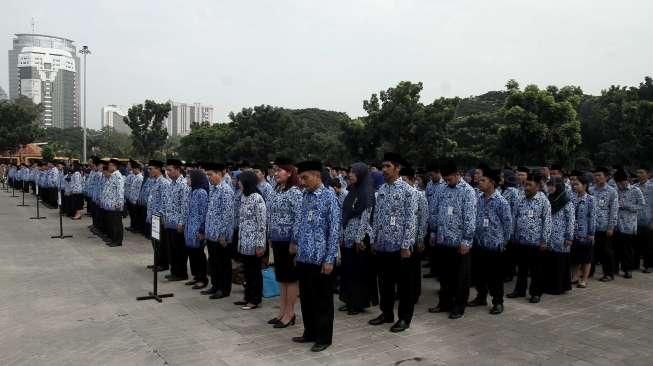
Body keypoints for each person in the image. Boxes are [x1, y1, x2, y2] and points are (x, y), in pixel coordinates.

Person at [290, 160, 340, 352]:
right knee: (308, 298)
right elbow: (301, 223)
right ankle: (309, 332)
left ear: (317, 176)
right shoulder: (305, 196)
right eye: (301, 178)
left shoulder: (329, 197)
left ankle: (324, 337)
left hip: (321, 259)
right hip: (304, 257)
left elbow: (334, 230)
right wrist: (296, 247)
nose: (302, 182)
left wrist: (329, 259)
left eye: (305, 177)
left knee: (323, 300)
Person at [368, 153, 417, 333]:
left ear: (397, 168)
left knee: (404, 285)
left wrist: (406, 245)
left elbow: (411, 220)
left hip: (400, 247)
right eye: (383, 167)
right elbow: (377, 218)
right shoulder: (381, 190)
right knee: (385, 282)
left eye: (388, 166)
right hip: (382, 245)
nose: (384, 170)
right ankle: (386, 312)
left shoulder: (408, 191)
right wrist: (374, 239)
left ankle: (404, 318)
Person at [428, 160, 477, 319]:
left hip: (459, 243)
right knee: (444, 276)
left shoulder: (468, 191)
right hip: (442, 240)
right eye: (445, 179)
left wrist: (466, 241)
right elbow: (434, 211)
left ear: (457, 174)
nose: (447, 182)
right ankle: (444, 303)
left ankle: (458, 306)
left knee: (460, 277)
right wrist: (434, 232)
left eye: (449, 179)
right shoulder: (441, 188)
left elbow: (470, 218)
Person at [468, 169, 512, 315]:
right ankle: (481, 296)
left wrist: (504, 242)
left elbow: (507, 224)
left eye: (483, 180)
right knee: (479, 274)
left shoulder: (501, 201)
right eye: (479, 180)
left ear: (492, 183)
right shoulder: (478, 198)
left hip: (494, 245)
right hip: (479, 243)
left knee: (495, 276)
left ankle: (498, 302)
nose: (479, 183)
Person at [266, 158, 302, 327]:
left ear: (289, 172)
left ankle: (290, 314)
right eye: (275, 170)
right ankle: (281, 312)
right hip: (277, 240)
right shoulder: (277, 189)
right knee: (281, 278)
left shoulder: (294, 192)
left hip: (289, 241)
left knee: (290, 278)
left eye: (280, 170)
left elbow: (298, 218)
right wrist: (270, 235)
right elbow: (271, 214)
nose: (276, 173)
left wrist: (294, 241)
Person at [507, 170, 552, 303]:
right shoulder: (520, 198)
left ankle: (535, 293)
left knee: (536, 270)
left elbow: (547, 221)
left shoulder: (544, 201)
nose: (526, 187)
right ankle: (519, 290)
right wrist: (512, 235)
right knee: (522, 268)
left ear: (537, 186)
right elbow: (514, 217)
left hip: (536, 242)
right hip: (520, 240)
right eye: (525, 185)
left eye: (529, 185)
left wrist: (544, 240)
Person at [339, 162, 378, 315]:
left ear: (361, 174)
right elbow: (346, 212)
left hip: (360, 237)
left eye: (354, 172)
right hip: (349, 234)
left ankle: (358, 302)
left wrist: (359, 238)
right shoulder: (352, 190)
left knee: (359, 272)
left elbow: (366, 215)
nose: (350, 175)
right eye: (350, 172)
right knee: (349, 270)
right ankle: (349, 300)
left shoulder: (367, 191)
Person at [233, 170, 267, 310]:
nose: (238, 183)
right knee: (247, 271)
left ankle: (255, 299)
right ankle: (247, 297)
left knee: (254, 272)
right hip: (244, 242)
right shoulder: (243, 197)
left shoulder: (257, 198)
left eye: (240, 180)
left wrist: (260, 245)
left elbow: (262, 223)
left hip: (254, 243)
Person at [202, 162, 235, 299]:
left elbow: (227, 215)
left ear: (220, 174)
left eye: (211, 174)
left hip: (221, 236)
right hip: (211, 233)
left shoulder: (226, 190)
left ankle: (224, 289)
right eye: (207, 175)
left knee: (223, 263)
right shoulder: (213, 189)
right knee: (214, 262)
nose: (209, 177)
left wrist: (223, 235)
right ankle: (215, 285)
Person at [400, 166, 428, 304]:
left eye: (404, 179)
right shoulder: (401, 194)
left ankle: (414, 294)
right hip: (403, 238)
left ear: (412, 180)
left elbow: (423, 218)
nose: (402, 182)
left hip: (415, 238)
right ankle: (402, 292)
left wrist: (421, 238)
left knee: (414, 269)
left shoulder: (419, 195)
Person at [543, 177, 575, 295]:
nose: (550, 188)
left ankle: (559, 287)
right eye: (549, 185)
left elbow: (571, 220)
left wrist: (569, 237)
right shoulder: (548, 199)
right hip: (549, 237)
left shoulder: (567, 201)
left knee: (560, 263)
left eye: (552, 185)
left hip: (561, 238)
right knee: (550, 262)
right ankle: (548, 285)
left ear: (559, 187)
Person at [614, 170, 645, 278]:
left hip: (629, 225)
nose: (620, 185)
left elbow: (641, 206)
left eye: (622, 182)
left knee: (627, 249)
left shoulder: (636, 190)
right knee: (616, 248)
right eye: (618, 183)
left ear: (627, 180)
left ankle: (627, 269)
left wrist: (627, 206)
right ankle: (615, 268)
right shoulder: (615, 191)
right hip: (616, 224)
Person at [162, 159, 190, 282]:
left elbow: (185, 206)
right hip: (170, 221)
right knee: (171, 249)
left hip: (178, 224)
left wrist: (181, 222)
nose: (167, 172)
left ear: (178, 170)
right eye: (167, 170)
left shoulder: (183, 184)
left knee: (179, 250)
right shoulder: (170, 184)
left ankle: (181, 273)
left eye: (170, 170)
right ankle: (174, 271)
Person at [590, 167, 619, 282]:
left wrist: (611, 226)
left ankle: (608, 273)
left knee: (606, 251)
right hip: (592, 226)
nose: (597, 178)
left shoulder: (612, 191)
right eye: (595, 175)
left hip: (605, 226)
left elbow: (614, 210)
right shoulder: (591, 190)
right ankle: (589, 271)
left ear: (606, 177)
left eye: (599, 175)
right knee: (592, 250)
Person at [184, 168, 210, 290]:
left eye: (189, 178)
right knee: (192, 253)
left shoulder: (201, 193)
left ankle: (202, 278)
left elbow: (204, 213)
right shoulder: (193, 191)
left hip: (197, 228)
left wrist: (202, 230)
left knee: (199, 254)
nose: (187, 180)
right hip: (190, 228)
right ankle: (196, 276)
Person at [571, 176, 597, 288]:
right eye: (574, 184)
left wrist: (591, 233)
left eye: (577, 184)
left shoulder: (591, 199)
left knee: (586, 257)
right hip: (573, 232)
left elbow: (593, 217)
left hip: (585, 232)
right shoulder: (572, 198)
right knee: (576, 256)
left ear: (585, 186)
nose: (574, 186)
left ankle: (584, 279)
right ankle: (575, 276)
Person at [146, 160, 170, 271]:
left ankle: (163, 264)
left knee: (161, 243)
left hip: (159, 218)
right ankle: (157, 261)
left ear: (158, 169)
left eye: (151, 169)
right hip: (153, 216)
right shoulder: (154, 181)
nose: (149, 171)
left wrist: (159, 217)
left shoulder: (164, 183)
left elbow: (165, 203)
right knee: (155, 241)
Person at [100, 159, 125, 247]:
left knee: (116, 223)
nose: (108, 167)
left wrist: (119, 203)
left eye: (110, 165)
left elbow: (120, 191)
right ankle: (113, 238)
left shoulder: (118, 176)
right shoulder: (112, 176)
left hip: (115, 205)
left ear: (114, 166)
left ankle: (118, 241)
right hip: (110, 205)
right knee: (112, 223)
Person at [633, 166, 653, 272]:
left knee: (648, 245)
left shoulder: (651, 186)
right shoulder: (634, 186)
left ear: (648, 174)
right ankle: (634, 264)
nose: (638, 175)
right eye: (637, 172)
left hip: (648, 220)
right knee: (635, 244)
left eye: (641, 172)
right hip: (635, 220)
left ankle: (648, 265)